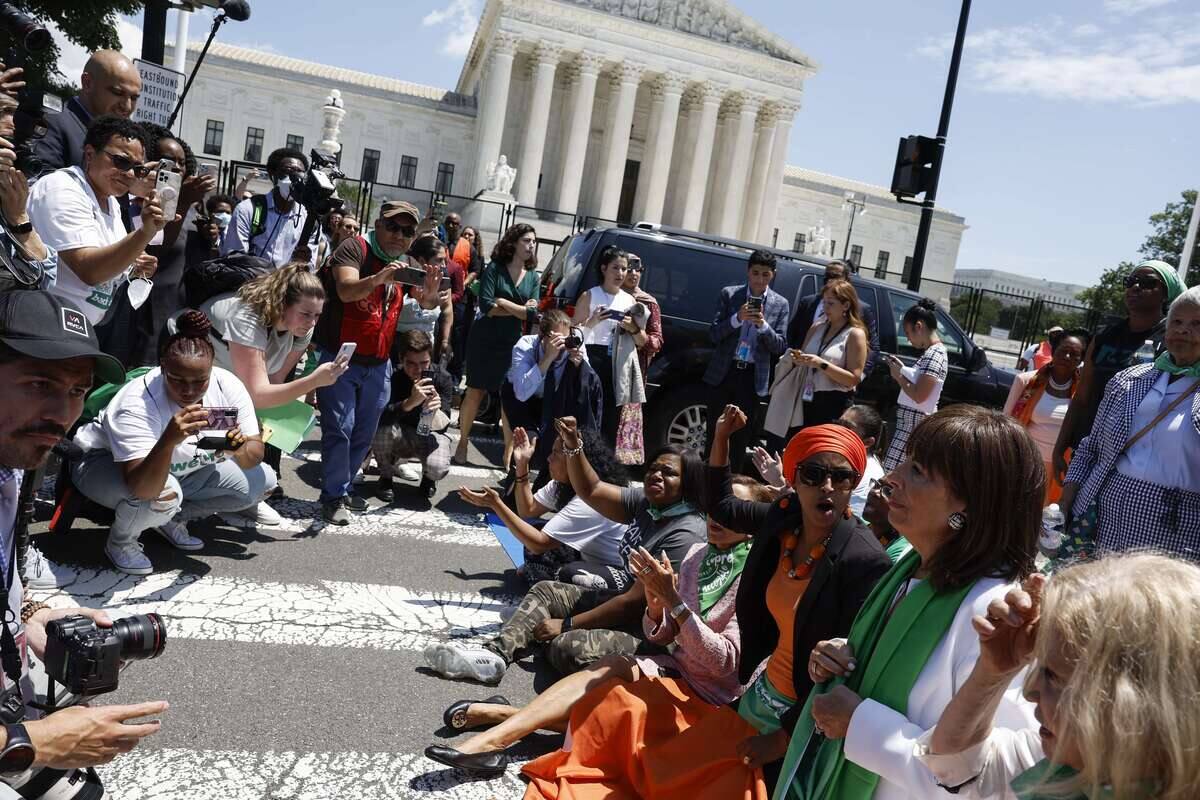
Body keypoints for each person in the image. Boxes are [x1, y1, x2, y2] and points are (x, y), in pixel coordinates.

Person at [426, 478, 769, 785]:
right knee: (606, 665)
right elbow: (662, 635)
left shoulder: (753, 574)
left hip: (713, 698)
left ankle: (507, 718)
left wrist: (670, 602)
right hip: (676, 668)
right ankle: (494, 734)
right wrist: (656, 605)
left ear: (753, 523)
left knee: (609, 698)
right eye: (719, 506)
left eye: (735, 511)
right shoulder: (698, 553)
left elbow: (726, 663)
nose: (720, 516)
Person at [777, 405, 1042, 800]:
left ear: (968, 504)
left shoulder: (995, 611)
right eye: (904, 462)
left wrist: (860, 723)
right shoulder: (909, 569)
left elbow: (1001, 779)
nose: (890, 477)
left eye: (917, 471)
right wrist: (844, 661)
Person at [0, 290, 169, 783]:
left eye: (78, 391)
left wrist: (32, 614)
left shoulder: (10, 468)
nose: (61, 412)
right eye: (39, 383)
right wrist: (33, 743)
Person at [424, 416, 707, 683]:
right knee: (546, 589)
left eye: (669, 473)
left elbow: (633, 603)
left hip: (655, 631)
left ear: (688, 484)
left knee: (566, 647)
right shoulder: (648, 502)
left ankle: (646, 675)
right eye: (654, 468)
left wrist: (568, 624)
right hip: (626, 602)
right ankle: (493, 656)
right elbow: (592, 489)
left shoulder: (683, 533)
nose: (656, 475)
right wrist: (573, 445)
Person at [708, 406, 892, 791]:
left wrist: (781, 741)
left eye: (841, 477)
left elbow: (849, 670)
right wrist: (722, 438)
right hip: (759, 695)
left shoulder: (863, 559)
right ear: (794, 479)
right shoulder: (784, 516)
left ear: (853, 484)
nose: (827, 486)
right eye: (814, 474)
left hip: (804, 722)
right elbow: (723, 508)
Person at [918, 553, 1200, 800]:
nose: (1030, 693)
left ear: (1136, 700)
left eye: (1053, 676)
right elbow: (953, 761)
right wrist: (992, 672)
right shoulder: (1070, 765)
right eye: (1037, 668)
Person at [72, 311, 276, 576]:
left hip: (181, 467)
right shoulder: (138, 401)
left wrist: (237, 445)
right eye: (177, 380)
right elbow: (141, 486)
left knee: (262, 482)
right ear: (162, 367)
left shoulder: (227, 386)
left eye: (199, 381)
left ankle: (170, 519)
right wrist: (168, 440)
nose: (189, 391)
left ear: (212, 369)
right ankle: (121, 542)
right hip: (103, 463)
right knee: (163, 495)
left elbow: (254, 454)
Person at [1060, 286, 1200, 561]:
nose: (1183, 330)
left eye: (1197, 324)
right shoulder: (1128, 380)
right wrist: (1065, 502)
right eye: (1177, 322)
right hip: (1102, 521)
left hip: (1176, 532)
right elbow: (1091, 448)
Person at [311, 199, 419, 525]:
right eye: (393, 227)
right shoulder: (354, 248)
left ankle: (341, 488)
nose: (399, 236)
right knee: (339, 429)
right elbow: (345, 291)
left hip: (379, 362)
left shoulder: (404, 263)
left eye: (408, 231)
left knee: (364, 432)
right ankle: (332, 496)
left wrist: (429, 293)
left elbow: (420, 303)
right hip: (342, 357)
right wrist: (378, 279)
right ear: (378, 224)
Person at [26, 116, 167, 325]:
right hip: (43, 324)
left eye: (138, 169)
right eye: (121, 161)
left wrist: (134, 264)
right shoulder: (61, 189)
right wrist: (143, 235)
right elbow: (90, 270)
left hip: (76, 328)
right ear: (90, 154)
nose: (129, 174)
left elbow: (106, 266)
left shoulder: (111, 202)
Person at [1051, 260, 1182, 484]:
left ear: (1166, 294)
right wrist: (1059, 447)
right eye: (1131, 281)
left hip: (1135, 460)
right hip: (1089, 452)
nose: (1136, 287)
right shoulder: (1104, 337)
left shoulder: (1171, 340)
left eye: (1148, 282)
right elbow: (1082, 398)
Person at [457, 427, 628, 585]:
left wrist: (496, 505)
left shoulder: (590, 501)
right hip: (588, 557)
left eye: (555, 453)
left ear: (573, 462)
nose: (549, 458)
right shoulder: (563, 484)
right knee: (534, 539)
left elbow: (539, 543)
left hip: (618, 572)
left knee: (568, 574)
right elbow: (528, 511)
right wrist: (522, 464)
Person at [455, 224, 541, 467]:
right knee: (475, 391)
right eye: (526, 240)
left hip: (512, 344)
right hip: (484, 340)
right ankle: (462, 443)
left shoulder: (533, 276)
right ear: (513, 243)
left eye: (533, 241)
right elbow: (486, 306)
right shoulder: (495, 268)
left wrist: (504, 302)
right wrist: (520, 310)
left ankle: (507, 455)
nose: (531, 245)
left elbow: (532, 315)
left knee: (508, 398)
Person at [703, 249, 791, 472]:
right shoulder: (730, 294)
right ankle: (704, 482)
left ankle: (731, 485)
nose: (760, 279)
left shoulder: (780, 304)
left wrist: (763, 326)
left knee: (741, 437)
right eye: (756, 273)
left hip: (752, 377)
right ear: (748, 272)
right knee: (715, 430)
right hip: (725, 371)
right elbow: (713, 334)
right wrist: (737, 319)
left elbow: (780, 346)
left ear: (773, 275)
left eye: (765, 275)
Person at [765, 279, 868, 443]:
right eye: (824, 302)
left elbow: (853, 379)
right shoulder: (817, 327)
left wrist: (821, 364)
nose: (825, 308)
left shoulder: (855, 334)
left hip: (832, 404)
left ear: (846, 306)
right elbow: (805, 356)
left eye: (831, 304)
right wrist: (798, 358)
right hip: (805, 397)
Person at [500, 309, 601, 475]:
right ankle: (516, 482)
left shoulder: (576, 345)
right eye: (556, 339)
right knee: (529, 443)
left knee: (555, 443)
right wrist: (547, 358)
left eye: (565, 338)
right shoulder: (525, 345)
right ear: (542, 334)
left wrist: (578, 366)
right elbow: (521, 393)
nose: (561, 345)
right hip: (521, 400)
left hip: (552, 399)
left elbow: (589, 386)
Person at [1003, 330, 1088, 504]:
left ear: (1081, 361)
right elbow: (1006, 422)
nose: (1066, 356)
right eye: (1063, 351)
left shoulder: (1083, 392)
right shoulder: (1025, 382)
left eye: (1074, 355)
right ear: (1053, 351)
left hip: (1063, 470)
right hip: (1026, 464)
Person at [372, 329, 454, 503]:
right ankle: (386, 477)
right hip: (400, 434)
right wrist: (410, 402)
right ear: (401, 359)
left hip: (429, 435)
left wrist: (435, 410)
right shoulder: (394, 376)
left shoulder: (442, 378)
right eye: (411, 363)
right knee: (381, 431)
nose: (418, 369)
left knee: (438, 468)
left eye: (424, 363)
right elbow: (381, 417)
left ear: (431, 358)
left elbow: (444, 426)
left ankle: (429, 478)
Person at [29, 50, 141, 174]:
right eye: (118, 93)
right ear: (87, 83)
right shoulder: (52, 122)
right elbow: (41, 183)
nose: (127, 106)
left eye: (134, 98)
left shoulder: (127, 138)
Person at [571, 245, 636, 442]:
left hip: (617, 359)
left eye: (624, 269)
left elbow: (637, 335)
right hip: (591, 355)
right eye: (615, 268)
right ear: (604, 269)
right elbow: (573, 334)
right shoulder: (590, 295)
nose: (620, 273)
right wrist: (592, 322)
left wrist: (630, 326)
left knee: (610, 414)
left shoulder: (629, 300)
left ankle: (602, 461)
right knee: (587, 409)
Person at [880, 298, 949, 471]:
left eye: (908, 333)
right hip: (910, 429)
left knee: (891, 479)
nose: (908, 339)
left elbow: (920, 395)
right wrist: (902, 370)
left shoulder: (934, 354)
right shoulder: (934, 353)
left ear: (919, 326)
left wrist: (898, 376)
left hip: (911, 431)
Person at [221, 147, 319, 268]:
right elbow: (234, 257)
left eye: (299, 173)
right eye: (288, 171)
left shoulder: (308, 219)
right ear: (273, 175)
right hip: (253, 284)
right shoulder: (248, 209)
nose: (294, 179)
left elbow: (310, 267)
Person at [788, 259, 880, 377]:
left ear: (847, 280)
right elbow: (793, 335)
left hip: (837, 381)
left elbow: (873, 347)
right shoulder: (808, 303)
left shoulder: (862, 310)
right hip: (805, 379)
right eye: (826, 277)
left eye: (835, 276)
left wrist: (861, 375)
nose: (830, 280)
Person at [395, 234, 452, 363]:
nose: (443, 265)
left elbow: (447, 310)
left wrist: (445, 340)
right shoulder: (404, 277)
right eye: (438, 260)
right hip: (399, 348)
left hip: (427, 349)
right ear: (422, 260)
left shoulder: (442, 279)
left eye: (445, 260)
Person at [621, 252, 664, 387]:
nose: (634, 273)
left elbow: (656, 343)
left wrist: (636, 331)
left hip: (632, 368)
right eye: (629, 269)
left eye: (638, 269)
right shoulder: (609, 296)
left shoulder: (649, 303)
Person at [185, 194, 235, 270]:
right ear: (211, 213)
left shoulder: (233, 233)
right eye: (220, 211)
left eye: (228, 213)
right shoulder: (203, 229)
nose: (225, 215)